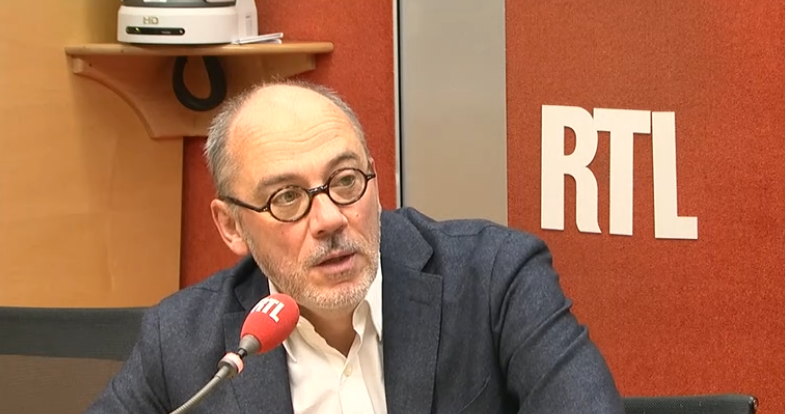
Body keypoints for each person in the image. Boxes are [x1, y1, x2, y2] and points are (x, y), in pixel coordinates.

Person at [85, 80, 625, 414]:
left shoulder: (494, 279)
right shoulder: (183, 342)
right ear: (231, 226)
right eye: (287, 197)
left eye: (346, 181)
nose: (329, 219)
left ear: (375, 180)